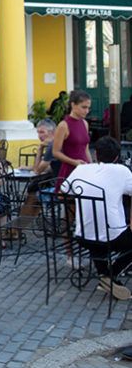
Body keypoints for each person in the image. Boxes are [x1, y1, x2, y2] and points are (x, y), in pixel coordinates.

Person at [63, 136, 132, 300]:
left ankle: (104, 274)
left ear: (95, 155)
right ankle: (109, 275)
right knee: (119, 238)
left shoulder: (81, 169)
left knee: (96, 234)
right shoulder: (122, 171)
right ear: (117, 157)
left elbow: (65, 189)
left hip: (82, 236)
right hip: (112, 236)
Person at [53, 90, 92, 187]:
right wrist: (74, 162)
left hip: (84, 170)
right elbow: (56, 152)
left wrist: (91, 166)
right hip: (70, 170)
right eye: (83, 107)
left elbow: (85, 148)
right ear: (73, 105)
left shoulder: (85, 123)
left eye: (88, 108)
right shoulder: (63, 125)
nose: (86, 111)